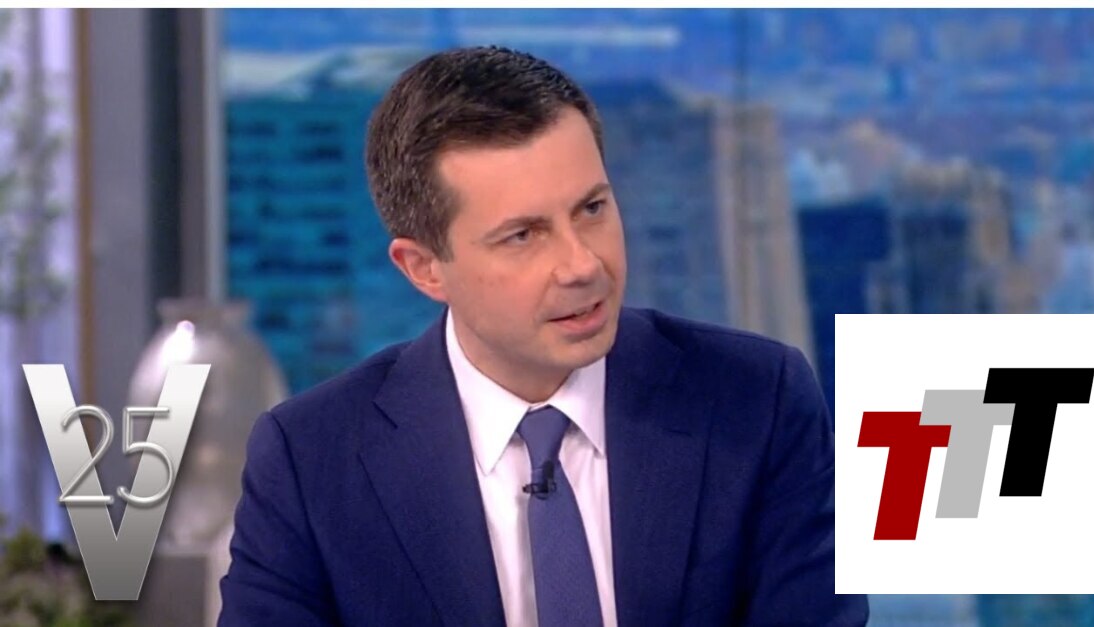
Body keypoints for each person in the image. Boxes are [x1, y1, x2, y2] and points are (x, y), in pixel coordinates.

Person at [218, 46, 868, 626]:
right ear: (424, 268)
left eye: (592, 208)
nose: (582, 264)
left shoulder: (756, 401)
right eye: (523, 235)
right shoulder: (312, 459)